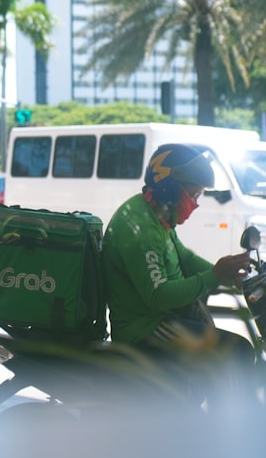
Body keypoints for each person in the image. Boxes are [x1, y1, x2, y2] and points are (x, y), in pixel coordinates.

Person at [101, 143, 255, 402]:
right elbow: (158, 295)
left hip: (160, 321)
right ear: (170, 188)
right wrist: (214, 275)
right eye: (193, 195)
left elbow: (183, 256)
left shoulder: (156, 214)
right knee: (236, 351)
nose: (195, 205)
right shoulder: (141, 228)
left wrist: (227, 275)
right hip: (144, 331)